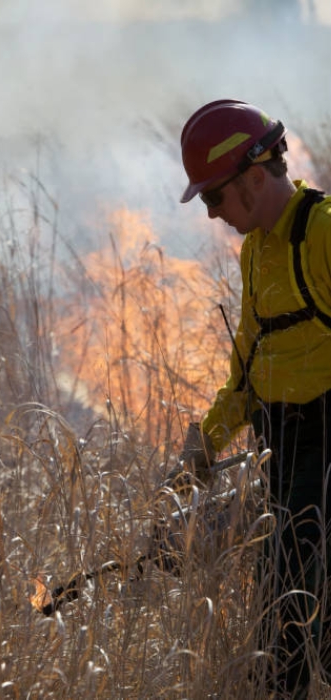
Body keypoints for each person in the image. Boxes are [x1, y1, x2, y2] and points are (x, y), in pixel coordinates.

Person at [178, 99, 331, 698]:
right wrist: (203, 445)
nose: (213, 214)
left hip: (321, 463)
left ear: (254, 176)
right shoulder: (257, 252)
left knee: (289, 630)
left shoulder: (321, 234)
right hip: (284, 459)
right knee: (288, 630)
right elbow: (248, 368)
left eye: (214, 198)